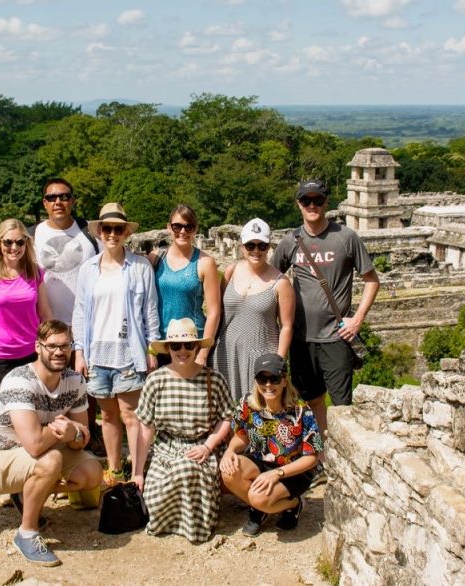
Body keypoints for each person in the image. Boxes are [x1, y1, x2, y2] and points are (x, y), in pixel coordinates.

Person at [0, 320, 102, 567]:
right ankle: (27, 533)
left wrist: (73, 433)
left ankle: (27, 491)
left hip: (38, 451)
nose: (59, 352)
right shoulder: (19, 380)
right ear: (38, 347)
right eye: (51, 346)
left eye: (65, 346)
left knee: (92, 473)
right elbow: (34, 445)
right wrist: (64, 430)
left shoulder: (75, 381)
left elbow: (81, 438)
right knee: (49, 460)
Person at [271, 180, 380, 435]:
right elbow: (271, 280)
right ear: (299, 204)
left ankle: (343, 456)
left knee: (342, 405)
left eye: (317, 200)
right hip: (301, 337)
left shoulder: (345, 237)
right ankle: (320, 454)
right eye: (306, 201)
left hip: (337, 336)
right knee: (311, 400)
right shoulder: (291, 241)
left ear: (325, 203)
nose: (312, 206)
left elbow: (372, 280)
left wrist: (357, 319)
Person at [72, 203, 160, 487]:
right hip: (97, 352)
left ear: (125, 233)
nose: (112, 234)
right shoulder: (88, 269)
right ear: (99, 232)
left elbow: (150, 311)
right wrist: (79, 351)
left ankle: (137, 471)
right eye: (107, 228)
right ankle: (114, 469)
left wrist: (151, 349)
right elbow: (80, 311)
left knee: (131, 415)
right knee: (107, 416)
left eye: (117, 229)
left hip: (129, 350)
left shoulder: (139, 266)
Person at [132, 318, 233, 543]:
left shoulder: (213, 379)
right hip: (165, 449)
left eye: (188, 345)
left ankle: (193, 527)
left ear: (197, 347)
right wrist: (138, 472)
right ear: (168, 349)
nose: (183, 350)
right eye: (176, 346)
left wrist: (209, 446)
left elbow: (227, 417)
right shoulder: (155, 380)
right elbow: (146, 428)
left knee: (187, 470)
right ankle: (168, 519)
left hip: (200, 450)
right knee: (153, 498)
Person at [29, 178, 102, 449]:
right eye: (51, 198)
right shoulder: (31, 235)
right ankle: (51, 436)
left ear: (72, 200)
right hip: (46, 324)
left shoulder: (89, 233)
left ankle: (89, 433)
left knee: (87, 383)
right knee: (49, 383)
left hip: (87, 321)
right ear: (44, 203)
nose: (58, 202)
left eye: (64, 196)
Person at [220, 353, 322, 536]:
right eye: (262, 378)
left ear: (284, 380)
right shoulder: (247, 405)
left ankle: (293, 504)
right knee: (229, 471)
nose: (268, 385)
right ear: (256, 381)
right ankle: (260, 508)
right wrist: (229, 451)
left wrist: (277, 473)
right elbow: (241, 437)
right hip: (261, 462)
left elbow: (312, 457)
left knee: (258, 498)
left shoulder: (301, 411)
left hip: (293, 471)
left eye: (274, 378)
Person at [209, 218, 295, 403]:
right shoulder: (231, 271)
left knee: (257, 414)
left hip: (261, 357)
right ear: (242, 247)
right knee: (224, 413)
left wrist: (277, 363)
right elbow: (219, 313)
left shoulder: (281, 283)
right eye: (250, 245)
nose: (256, 251)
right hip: (226, 353)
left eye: (262, 246)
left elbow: (287, 326)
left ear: (269, 247)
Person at [0, 218, 53, 394]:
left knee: (31, 409)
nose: (14, 248)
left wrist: (48, 350)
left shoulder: (35, 271)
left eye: (19, 242)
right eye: (8, 242)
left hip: (31, 354)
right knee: (4, 414)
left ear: (26, 243)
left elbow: (45, 314)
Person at [149, 204, 221, 366]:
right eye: (177, 226)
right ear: (169, 228)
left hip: (191, 344)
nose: (182, 231)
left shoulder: (205, 263)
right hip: (162, 343)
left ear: (195, 230)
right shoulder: (154, 258)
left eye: (189, 227)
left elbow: (214, 312)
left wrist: (203, 354)